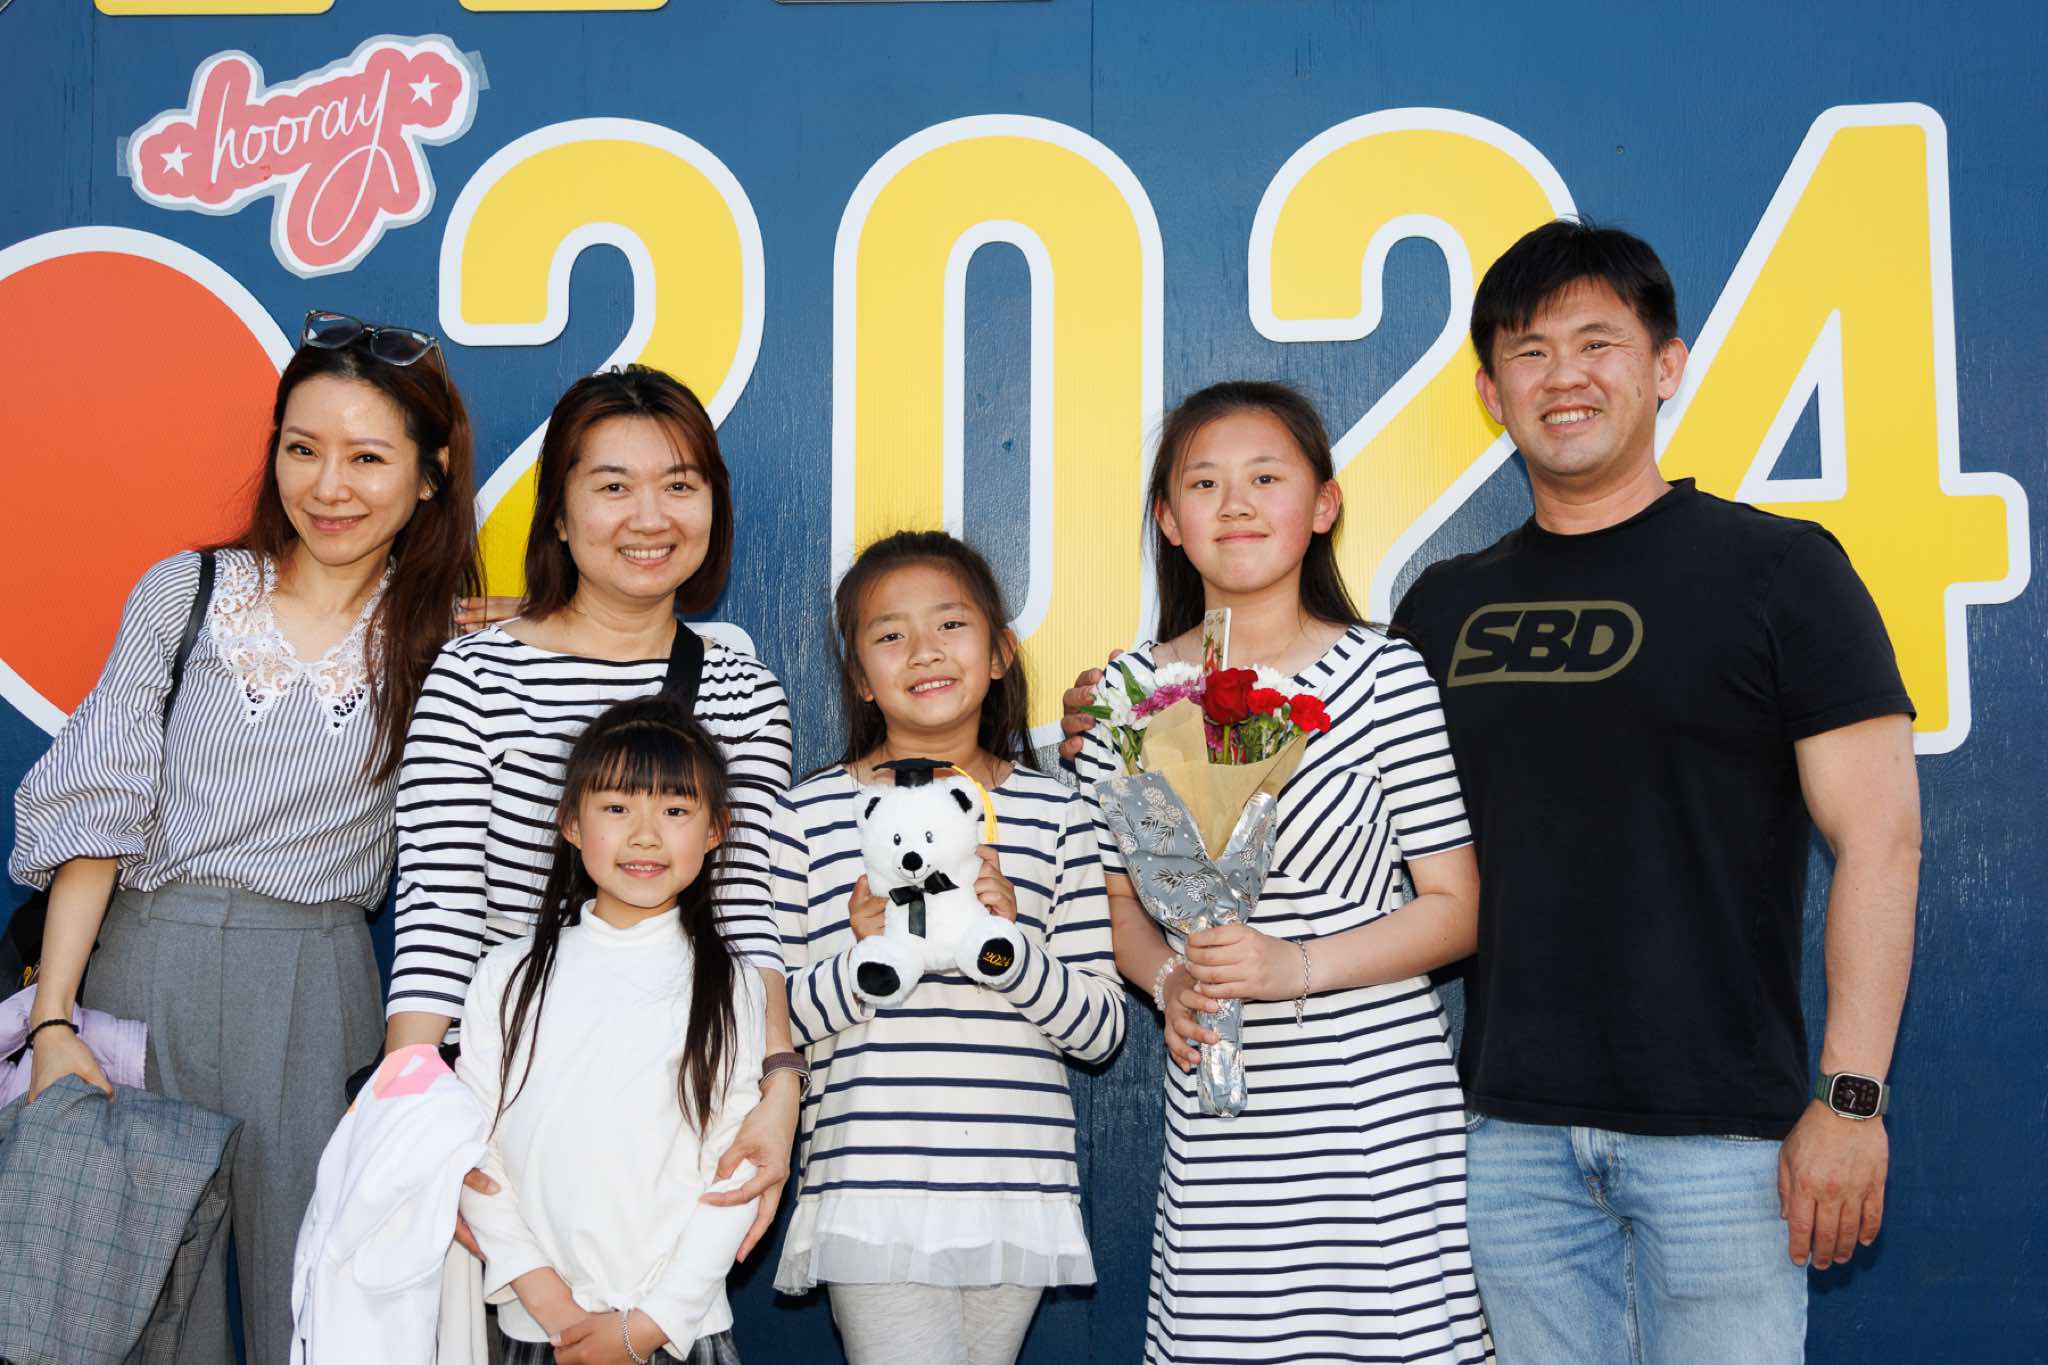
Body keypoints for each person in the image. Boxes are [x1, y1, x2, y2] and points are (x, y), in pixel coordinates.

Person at [1387, 220, 1920, 1363]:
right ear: (1489, 392)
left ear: (1664, 365)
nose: (1563, 377)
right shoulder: (1439, 606)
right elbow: (1343, 810)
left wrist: (1850, 1100)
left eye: (1597, 343)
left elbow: (1881, 840)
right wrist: (1144, 719)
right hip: (1508, 1139)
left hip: (1725, 1144)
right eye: (1529, 352)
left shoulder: (1780, 568)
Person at [11, 310, 484, 1364]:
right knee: (139, 1317)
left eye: (368, 457)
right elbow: (98, 812)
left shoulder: (449, 643)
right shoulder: (186, 593)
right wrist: (52, 1023)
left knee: (314, 1307)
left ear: (430, 474)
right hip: (143, 968)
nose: (329, 486)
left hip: (319, 986)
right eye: (303, 449)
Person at [1065, 381, 1489, 1363]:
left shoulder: (1386, 677)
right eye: (1203, 483)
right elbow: (1115, 906)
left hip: (1375, 1104)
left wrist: (1292, 965)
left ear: (1323, 505)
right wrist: (1169, 982)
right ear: (1168, 519)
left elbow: (1456, 907)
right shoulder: (1127, 692)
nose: (1236, 504)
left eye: (1266, 478)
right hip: (1225, 1118)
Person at [381, 364, 801, 1261]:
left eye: (679, 485)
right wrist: (409, 1109)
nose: (650, 517)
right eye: (613, 486)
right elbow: (439, 911)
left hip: (678, 1116)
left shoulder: (745, 692)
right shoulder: (476, 676)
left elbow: (749, 912)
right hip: (510, 1106)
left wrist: (779, 1091)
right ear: (561, 516)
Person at [770, 530, 1126, 1365]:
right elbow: (768, 1019)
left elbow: (1102, 1030)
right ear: (860, 676)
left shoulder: (1059, 815)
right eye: (890, 633)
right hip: (871, 1186)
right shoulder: (805, 816)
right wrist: (863, 957)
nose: (924, 650)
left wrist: (1011, 950)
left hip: (1014, 1185)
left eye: (951, 624)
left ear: (1000, 652)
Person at [457, 699, 764, 1365]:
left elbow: (736, 1168)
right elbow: (472, 1154)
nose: (646, 835)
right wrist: (554, 1307)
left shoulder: (732, 982)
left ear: (716, 830)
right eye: (618, 807)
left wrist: (649, 1324)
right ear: (571, 821)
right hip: (541, 1330)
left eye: (676, 810)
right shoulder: (507, 974)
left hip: (679, 1329)